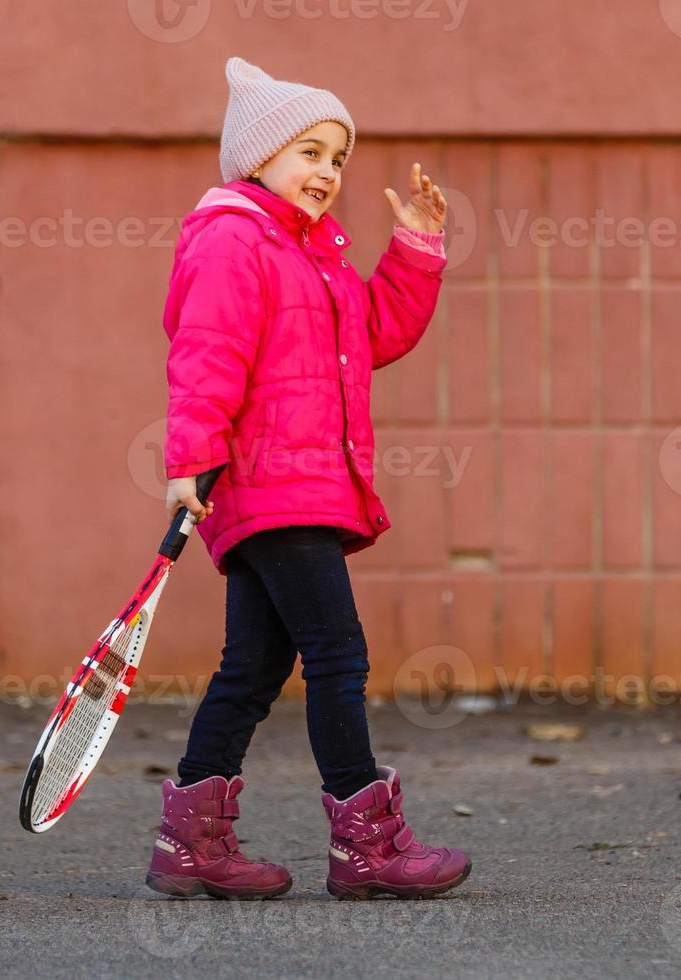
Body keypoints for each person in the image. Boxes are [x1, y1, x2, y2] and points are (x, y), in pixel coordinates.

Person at [144, 56, 470, 901]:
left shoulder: (312, 258)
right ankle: (366, 846)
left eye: (337, 159)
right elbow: (206, 352)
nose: (325, 172)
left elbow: (371, 336)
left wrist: (417, 248)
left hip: (299, 485)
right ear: (257, 158)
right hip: (267, 484)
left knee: (252, 668)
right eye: (308, 153)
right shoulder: (231, 239)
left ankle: (192, 846)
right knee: (336, 652)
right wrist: (189, 460)